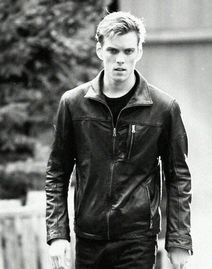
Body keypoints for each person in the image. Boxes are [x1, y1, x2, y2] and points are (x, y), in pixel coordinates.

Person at [45, 11, 192, 269]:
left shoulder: (163, 108)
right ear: (100, 50)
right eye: (113, 51)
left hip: (137, 240)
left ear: (139, 52)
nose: (120, 60)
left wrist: (178, 241)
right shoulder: (73, 104)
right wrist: (58, 235)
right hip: (89, 239)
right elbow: (57, 173)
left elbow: (178, 177)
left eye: (128, 51)